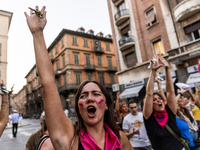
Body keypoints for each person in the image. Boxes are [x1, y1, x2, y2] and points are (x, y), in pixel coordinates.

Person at [24, 6, 133, 150]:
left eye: (96, 94)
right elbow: (48, 83)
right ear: (78, 107)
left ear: (106, 104)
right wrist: (37, 33)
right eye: (83, 96)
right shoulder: (69, 138)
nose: (89, 98)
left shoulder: (120, 138)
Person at [143, 55, 186, 150]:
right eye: (154, 100)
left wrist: (167, 70)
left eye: (159, 98)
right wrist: (153, 72)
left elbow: (170, 92)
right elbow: (149, 94)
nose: (158, 100)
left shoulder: (169, 111)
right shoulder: (149, 118)